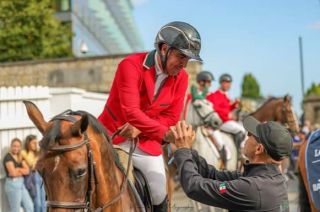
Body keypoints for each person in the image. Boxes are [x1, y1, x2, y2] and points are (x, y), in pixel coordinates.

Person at [98, 21, 202, 211]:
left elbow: (171, 117)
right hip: (113, 137)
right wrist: (165, 134)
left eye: (188, 59)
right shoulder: (130, 65)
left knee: (158, 190)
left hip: (146, 142)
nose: (184, 64)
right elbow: (131, 111)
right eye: (181, 56)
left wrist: (140, 128)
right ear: (164, 48)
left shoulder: (183, 78)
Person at [170, 117, 292, 211]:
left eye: (250, 135)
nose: (247, 135)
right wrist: (188, 150)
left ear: (259, 149)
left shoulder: (251, 187)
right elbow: (212, 174)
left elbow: (194, 187)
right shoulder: (268, 178)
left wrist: (183, 150)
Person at [207, 73, 246, 149]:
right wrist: (227, 113)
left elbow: (227, 108)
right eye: (226, 82)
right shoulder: (215, 94)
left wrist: (235, 104)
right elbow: (215, 109)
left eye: (229, 83)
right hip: (222, 122)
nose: (228, 85)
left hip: (227, 120)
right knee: (241, 130)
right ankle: (240, 151)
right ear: (221, 83)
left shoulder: (225, 95)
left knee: (244, 128)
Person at [3, 138, 34, 212]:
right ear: (11, 146)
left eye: (18, 146)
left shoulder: (20, 156)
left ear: (20, 147)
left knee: (29, 206)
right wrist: (21, 170)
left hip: (21, 184)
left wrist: (18, 169)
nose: (16, 148)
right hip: (12, 184)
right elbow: (12, 173)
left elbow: (27, 171)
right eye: (14, 146)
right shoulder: (7, 157)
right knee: (15, 209)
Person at [21, 135, 46, 212]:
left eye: (36, 142)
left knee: (43, 203)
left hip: (41, 176)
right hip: (33, 177)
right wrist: (36, 159)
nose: (36, 144)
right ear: (28, 143)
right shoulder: (24, 152)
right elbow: (32, 165)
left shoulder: (39, 152)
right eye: (33, 143)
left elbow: (41, 164)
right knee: (37, 202)